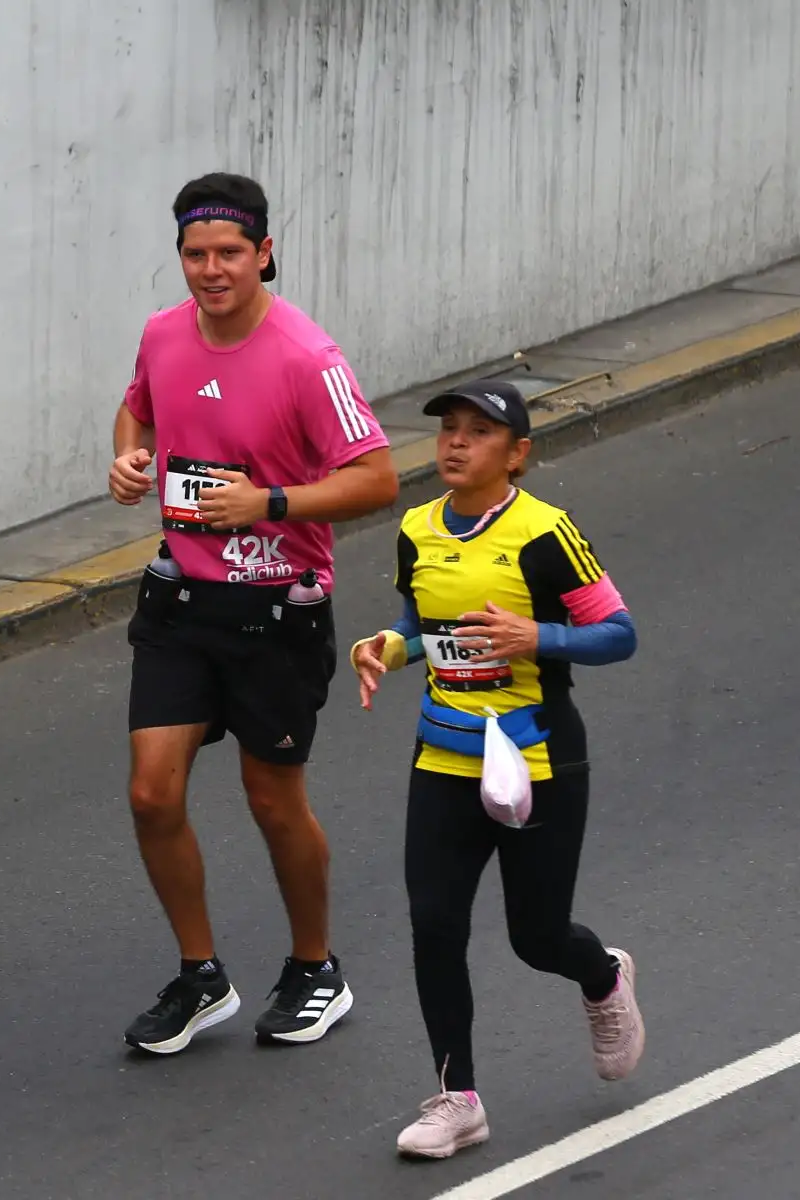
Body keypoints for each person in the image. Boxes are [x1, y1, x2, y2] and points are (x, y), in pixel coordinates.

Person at [107, 172, 400, 1053]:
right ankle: (201, 977)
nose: (211, 270)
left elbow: (378, 478)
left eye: (230, 253)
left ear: (264, 253)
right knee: (151, 793)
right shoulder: (163, 334)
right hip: (181, 600)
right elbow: (137, 410)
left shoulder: (308, 357)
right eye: (196, 255)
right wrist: (130, 460)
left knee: (273, 802)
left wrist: (269, 505)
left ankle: (316, 967)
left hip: (278, 611)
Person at [350, 380, 644, 1159]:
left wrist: (537, 638)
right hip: (445, 756)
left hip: (540, 759)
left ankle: (603, 976)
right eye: (448, 429)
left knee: (536, 935)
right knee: (434, 924)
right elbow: (423, 626)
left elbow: (618, 633)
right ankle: (459, 1099)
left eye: (478, 433)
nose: (455, 443)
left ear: (517, 454)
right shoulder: (417, 529)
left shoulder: (547, 533)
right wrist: (388, 646)